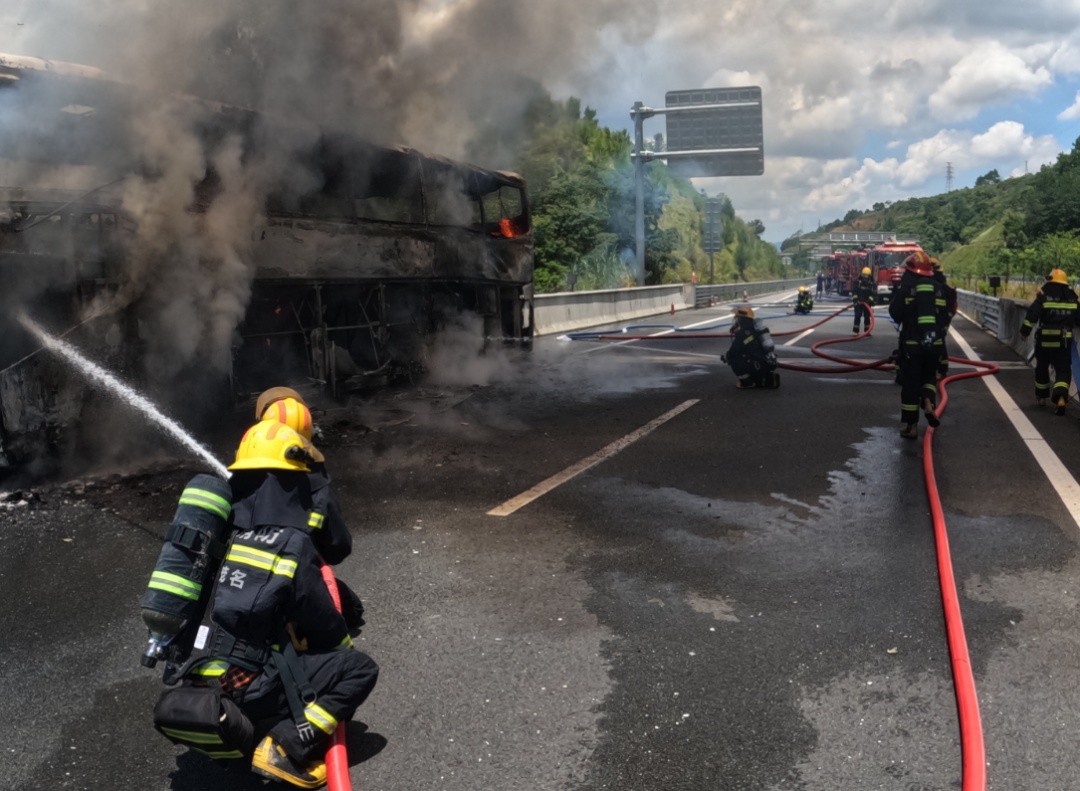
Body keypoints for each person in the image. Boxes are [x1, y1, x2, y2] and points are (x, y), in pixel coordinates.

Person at [211, 420, 379, 787]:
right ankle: (285, 747)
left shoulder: (218, 533)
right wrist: (338, 651)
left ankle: (243, 727)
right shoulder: (288, 543)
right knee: (359, 669)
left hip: (206, 680)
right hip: (252, 686)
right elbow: (324, 623)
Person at [889, 251, 949, 438]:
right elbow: (947, 315)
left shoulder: (908, 289)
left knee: (911, 383)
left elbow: (895, 313)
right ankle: (929, 402)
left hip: (912, 345)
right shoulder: (940, 288)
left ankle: (911, 426)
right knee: (929, 377)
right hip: (935, 345)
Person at [1020, 268, 1080, 415]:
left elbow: (1032, 314)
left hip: (1045, 340)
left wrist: (1024, 332)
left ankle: (1041, 396)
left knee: (1042, 366)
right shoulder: (1072, 297)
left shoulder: (1044, 296)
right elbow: (1078, 319)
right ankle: (1060, 398)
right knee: (1063, 369)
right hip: (1064, 341)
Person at [721, 306, 780, 389]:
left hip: (757, 364)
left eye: (737, 318)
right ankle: (763, 378)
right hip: (765, 363)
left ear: (741, 320)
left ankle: (747, 382)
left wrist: (726, 357)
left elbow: (734, 351)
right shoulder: (755, 330)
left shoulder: (743, 334)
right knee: (744, 356)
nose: (736, 321)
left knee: (732, 358)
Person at [931, 259, 958, 380]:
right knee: (940, 343)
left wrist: (945, 321)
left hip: (939, 321)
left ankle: (940, 370)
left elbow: (950, 306)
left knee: (937, 345)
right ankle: (942, 369)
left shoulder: (938, 286)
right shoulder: (944, 286)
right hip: (941, 320)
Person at [852, 266, 876, 335]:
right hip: (858, 302)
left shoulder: (872, 284)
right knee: (857, 316)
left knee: (867, 316)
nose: (865, 277)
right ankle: (855, 331)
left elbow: (874, 294)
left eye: (866, 275)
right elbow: (854, 292)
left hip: (867, 303)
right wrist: (856, 301)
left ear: (869, 275)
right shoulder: (858, 282)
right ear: (862, 274)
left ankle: (867, 331)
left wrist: (869, 301)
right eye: (864, 275)